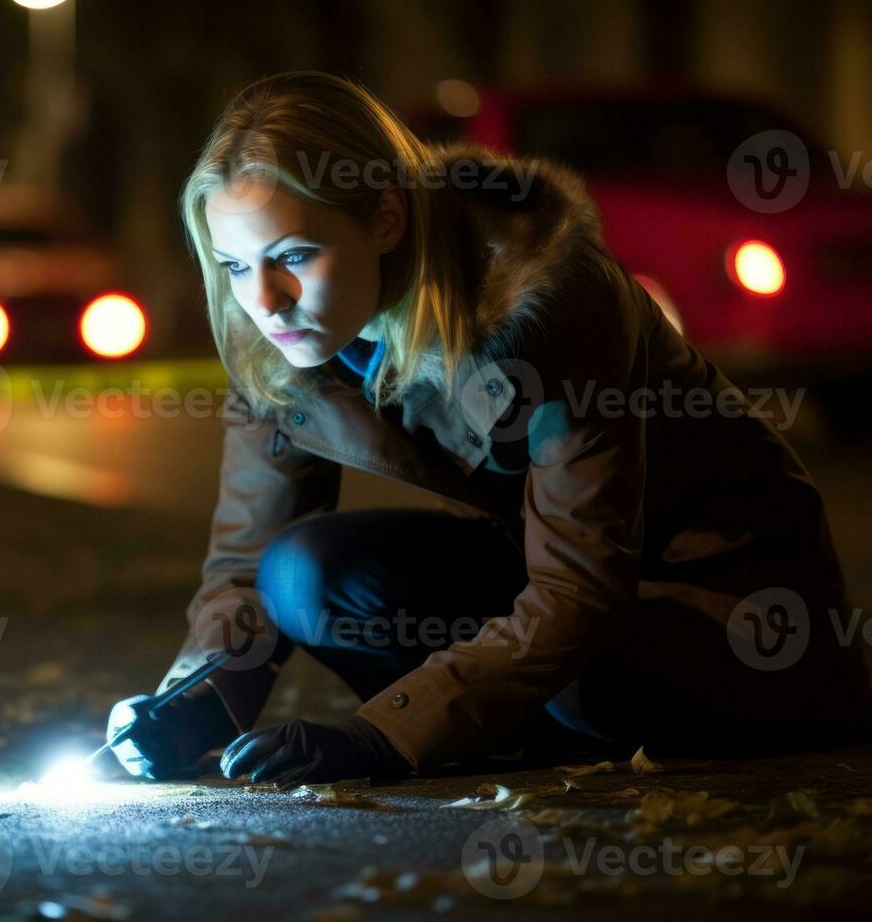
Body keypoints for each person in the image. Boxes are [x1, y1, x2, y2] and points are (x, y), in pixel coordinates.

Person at [105, 70, 871, 787]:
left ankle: (521, 726)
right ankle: (506, 723)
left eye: (294, 255)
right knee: (302, 574)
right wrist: (190, 708)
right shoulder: (277, 332)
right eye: (234, 266)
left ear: (383, 217)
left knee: (580, 683)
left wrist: (382, 740)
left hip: (736, 615)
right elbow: (244, 564)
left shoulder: (548, 299)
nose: (264, 300)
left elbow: (579, 586)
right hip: (563, 588)